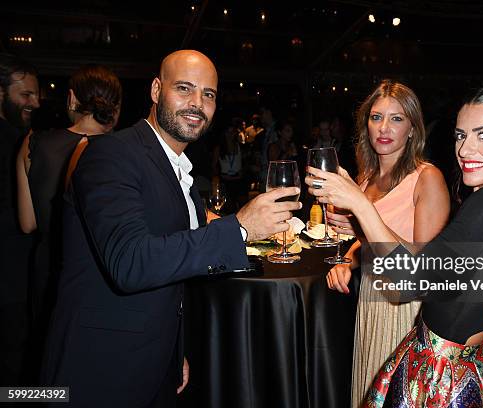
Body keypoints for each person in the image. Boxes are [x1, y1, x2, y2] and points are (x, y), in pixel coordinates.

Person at [40, 50, 300, 407]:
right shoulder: (109, 154)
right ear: (156, 90)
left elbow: (174, 264)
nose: (197, 103)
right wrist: (239, 228)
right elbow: (131, 262)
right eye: (184, 89)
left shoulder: (180, 170)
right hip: (100, 370)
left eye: (208, 94)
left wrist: (175, 348)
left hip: (154, 361)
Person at [307, 85, 483, 407]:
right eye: (461, 136)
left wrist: (361, 206)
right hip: (477, 360)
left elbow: (413, 280)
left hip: (443, 373)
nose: (466, 149)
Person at [308, 80, 450, 407]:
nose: (384, 128)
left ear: (413, 129)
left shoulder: (427, 178)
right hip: (371, 299)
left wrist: (361, 210)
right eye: (376, 117)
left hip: (407, 310)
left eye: (397, 119)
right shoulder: (366, 179)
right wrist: (350, 258)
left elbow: (419, 267)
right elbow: (371, 241)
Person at [15, 64, 122, 376]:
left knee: (49, 359)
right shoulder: (123, 151)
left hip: (47, 270)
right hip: (100, 273)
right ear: (115, 107)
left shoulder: (33, 143)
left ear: (72, 98)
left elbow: (28, 223)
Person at [0, 54, 39, 384]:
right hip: (11, 284)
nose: (35, 102)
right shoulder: (18, 144)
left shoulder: (20, 139)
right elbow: (27, 222)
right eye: (25, 95)